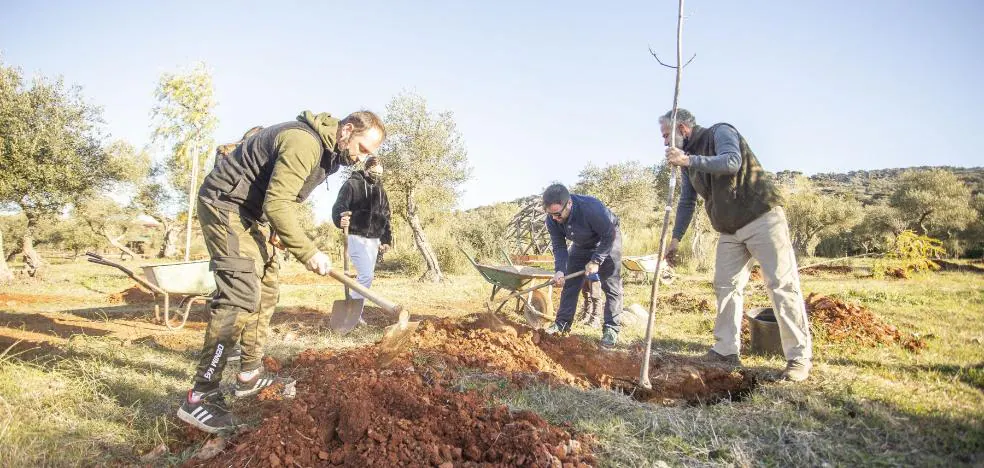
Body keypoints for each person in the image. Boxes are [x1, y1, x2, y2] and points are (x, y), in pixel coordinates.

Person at [177, 110, 385, 433]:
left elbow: (281, 198)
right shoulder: (305, 143)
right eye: (363, 148)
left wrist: (278, 233)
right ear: (347, 130)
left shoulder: (329, 155)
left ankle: (248, 374)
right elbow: (277, 204)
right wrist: (308, 251)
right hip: (225, 204)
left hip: (251, 212)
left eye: (369, 154)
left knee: (268, 286)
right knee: (241, 292)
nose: (362, 158)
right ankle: (200, 396)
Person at [660, 108, 813, 381]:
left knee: (781, 285)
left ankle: (798, 358)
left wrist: (688, 159)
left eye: (665, 136)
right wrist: (675, 239)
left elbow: (731, 162)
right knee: (725, 286)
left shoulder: (721, 132)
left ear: (682, 129)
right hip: (729, 230)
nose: (663, 143)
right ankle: (725, 350)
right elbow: (686, 201)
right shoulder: (687, 163)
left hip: (762, 218)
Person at [541, 183, 623, 349]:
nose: (555, 218)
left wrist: (596, 260)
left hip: (607, 240)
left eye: (558, 214)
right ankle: (562, 324)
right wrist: (560, 270)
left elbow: (609, 234)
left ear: (569, 203)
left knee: (611, 284)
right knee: (570, 284)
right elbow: (559, 246)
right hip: (581, 244)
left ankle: (611, 328)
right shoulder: (552, 219)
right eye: (551, 215)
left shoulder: (591, 208)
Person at [331, 156, 393, 325]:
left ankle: (355, 313)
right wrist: (339, 219)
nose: (377, 176)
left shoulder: (381, 191)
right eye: (374, 172)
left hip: (374, 239)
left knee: (367, 278)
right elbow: (339, 206)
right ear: (366, 170)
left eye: (380, 173)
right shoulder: (352, 184)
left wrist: (386, 239)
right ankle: (351, 310)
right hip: (356, 235)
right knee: (366, 275)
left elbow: (387, 216)